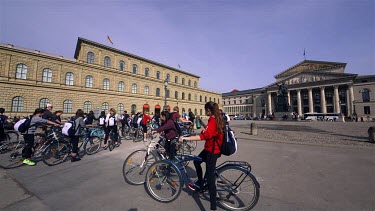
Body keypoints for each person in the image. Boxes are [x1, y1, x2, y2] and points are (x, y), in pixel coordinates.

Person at [179, 101, 224, 211]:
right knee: (196, 161)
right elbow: (210, 130)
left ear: (208, 110)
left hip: (212, 151)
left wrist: (186, 138)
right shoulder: (216, 117)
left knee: (210, 180)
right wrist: (202, 124)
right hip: (211, 148)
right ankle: (200, 183)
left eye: (205, 110)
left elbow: (205, 135)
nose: (205, 111)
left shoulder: (213, 119)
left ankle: (213, 207)